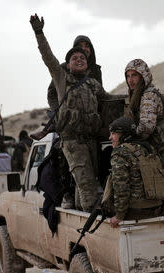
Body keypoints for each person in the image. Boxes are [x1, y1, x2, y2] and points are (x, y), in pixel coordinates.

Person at [30, 14, 121, 212]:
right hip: (72, 141)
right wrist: (39, 33)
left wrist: (138, 91)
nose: (79, 59)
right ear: (68, 64)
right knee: (87, 184)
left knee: (87, 183)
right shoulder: (62, 79)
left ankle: (81, 215)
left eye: (82, 57)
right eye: (74, 58)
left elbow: (110, 99)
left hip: (91, 139)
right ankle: (92, 223)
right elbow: (48, 58)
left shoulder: (93, 84)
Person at [123, 58, 164, 214]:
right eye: (128, 76)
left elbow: (146, 128)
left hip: (163, 152)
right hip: (157, 152)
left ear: (143, 77)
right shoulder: (140, 95)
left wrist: (129, 130)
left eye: (134, 75)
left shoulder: (148, 96)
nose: (130, 80)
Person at [107, 117, 164, 227]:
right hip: (157, 208)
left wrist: (119, 216)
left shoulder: (120, 152)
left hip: (136, 212)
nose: (110, 138)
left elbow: (121, 188)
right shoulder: (149, 148)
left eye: (113, 133)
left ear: (124, 135)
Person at [47, 35, 102, 112]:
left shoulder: (96, 69)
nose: (84, 48)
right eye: (80, 46)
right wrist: (57, 113)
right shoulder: (64, 68)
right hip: (67, 118)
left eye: (87, 46)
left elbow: (100, 96)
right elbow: (51, 93)